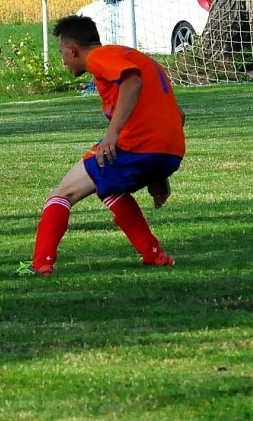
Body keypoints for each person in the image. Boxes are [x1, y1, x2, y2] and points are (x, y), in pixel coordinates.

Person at [20, 14, 184, 276]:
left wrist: (112, 134)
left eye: (62, 52)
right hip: (169, 150)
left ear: (72, 50)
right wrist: (158, 170)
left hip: (139, 146)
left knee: (61, 194)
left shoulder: (99, 57)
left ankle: (41, 264)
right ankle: (153, 254)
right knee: (107, 185)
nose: (63, 60)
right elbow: (178, 114)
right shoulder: (129, 55)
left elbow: (132, 82)